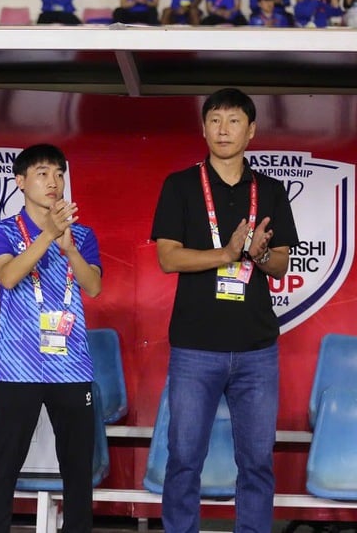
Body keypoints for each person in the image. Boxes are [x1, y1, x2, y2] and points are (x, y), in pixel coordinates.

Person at [151, 87, 298, 533]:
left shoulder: (270, 190)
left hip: (256, 351)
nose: (223, 129)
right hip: (196, 349)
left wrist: (255, 255)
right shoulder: (179, 185)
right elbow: (168, 258)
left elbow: (282, 264)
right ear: (203, 128)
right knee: (183, 460)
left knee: (256, 462)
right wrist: (228, 254)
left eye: (234, 121)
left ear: (251, 131)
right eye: (215, 119)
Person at [0, 144, 102, 533]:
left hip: (72, 366)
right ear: (20, 182)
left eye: (60, 174)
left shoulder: (82, 233)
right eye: (43, 173)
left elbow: (94, 287)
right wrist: (48, 235)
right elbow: (10, 276)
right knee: (2, 467)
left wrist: (70, 249)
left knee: (78, 470)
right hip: (18, 368)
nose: (54, 182)